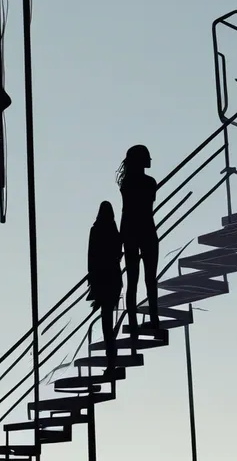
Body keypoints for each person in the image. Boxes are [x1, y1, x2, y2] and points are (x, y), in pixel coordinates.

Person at [117, 144, 159, 334]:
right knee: (150, 279)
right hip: (147, 231)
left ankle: (133, 322)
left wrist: (120, 238)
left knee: (132, 279)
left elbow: (126, 213)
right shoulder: (150, 182)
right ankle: (154, 319)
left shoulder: (126, 183)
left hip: (131, 232)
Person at [87, 200, 123, 370]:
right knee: (109, 321)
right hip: (114, 279)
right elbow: (118, 253)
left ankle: (111, 362)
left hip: (102, 279)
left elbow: (91, 258)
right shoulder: (115, 232)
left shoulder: (95, 230)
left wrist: (92, 286)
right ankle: (112, 360)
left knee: (106, 323)